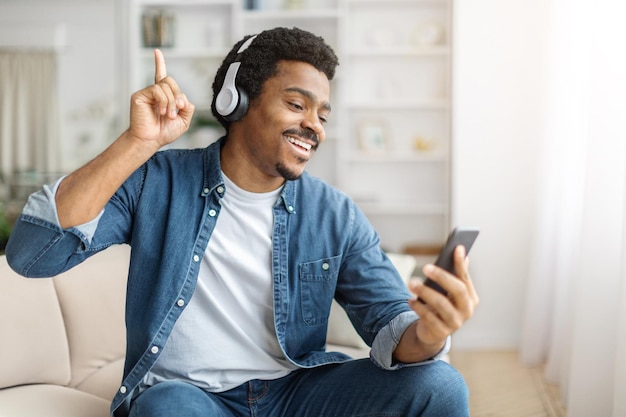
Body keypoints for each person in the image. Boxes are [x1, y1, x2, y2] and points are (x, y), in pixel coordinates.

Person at [6, 27, 479, 417]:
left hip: (295, 393)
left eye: (322, 114)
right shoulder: (157, 180)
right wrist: (137, 142)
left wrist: (430, 332)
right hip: (190, 397)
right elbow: (32, 255)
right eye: (297, 105)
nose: (314, 125)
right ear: (237, 101)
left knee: (439, 385)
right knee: (165, 408)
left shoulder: (335, 214)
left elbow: (390, 326)